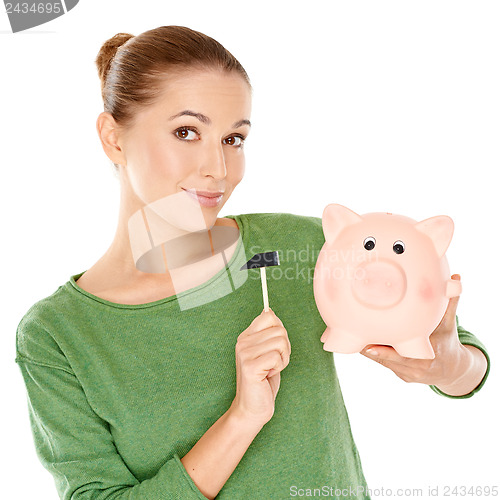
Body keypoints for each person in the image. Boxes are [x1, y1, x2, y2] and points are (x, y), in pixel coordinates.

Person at [14, 25, 490, 500]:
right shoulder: (58, 334)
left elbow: (464, 362)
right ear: (113, 138)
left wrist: (447, 366)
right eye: (186, 132)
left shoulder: (301, 248)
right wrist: (242, 417)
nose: (218, 169)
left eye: (233, 139)